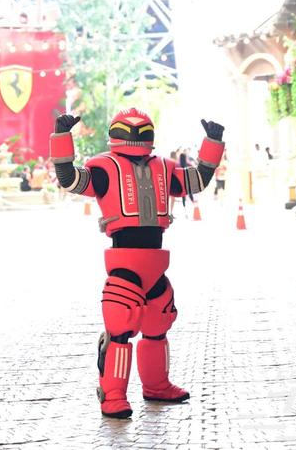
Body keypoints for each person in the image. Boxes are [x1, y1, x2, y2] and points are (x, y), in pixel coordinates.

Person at [50, 107, 224, 419]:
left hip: (155, 263)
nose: (134, 136)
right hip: (125, 263)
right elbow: (70, 179)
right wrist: (62, 136)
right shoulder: (104, 167)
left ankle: (157, 385)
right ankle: (114, 395)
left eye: (140, 131)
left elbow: (197, 179)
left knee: (158, 324)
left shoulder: (164, 167)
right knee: (120, 326)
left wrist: (212, 143)